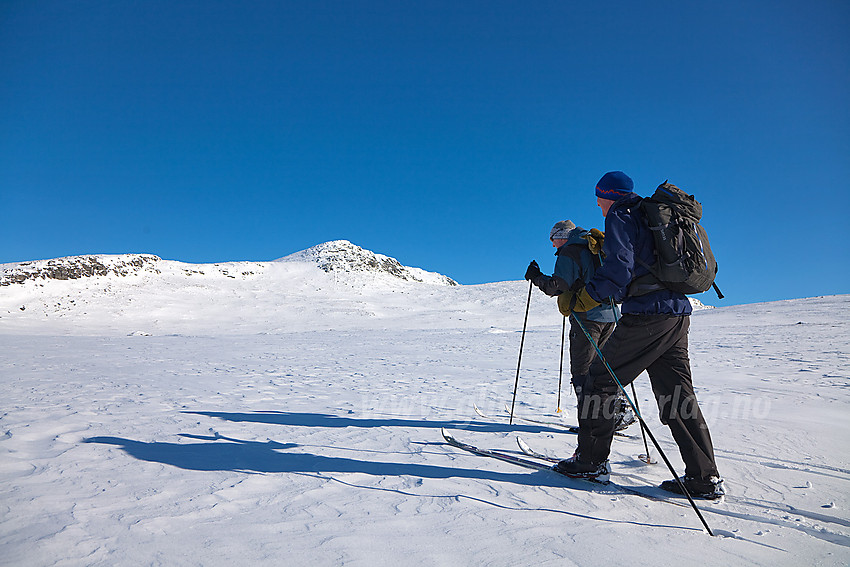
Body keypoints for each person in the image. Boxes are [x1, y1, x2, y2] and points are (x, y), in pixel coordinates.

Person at [553, 171, 724, 500]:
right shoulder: (650, 214)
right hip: (677, 315)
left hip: (648, 315)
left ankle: (591, 462)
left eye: (599, 197)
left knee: (598, 382)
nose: (599, 205)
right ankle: (704, 477)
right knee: (677, 396)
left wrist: (586, 297)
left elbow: (619, 270)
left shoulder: (621, 214)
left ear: (609, 194)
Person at [524, 221, 634, 431]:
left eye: (553, 238)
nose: (552, 244)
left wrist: (536, 277)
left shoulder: (570, 251)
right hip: (610, 315)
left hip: (587, 317)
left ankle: (592, 424)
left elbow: (556, 287)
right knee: (605, 369)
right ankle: (615, 415)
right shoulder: (594, 245)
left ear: (562, 235)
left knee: (583, 372)